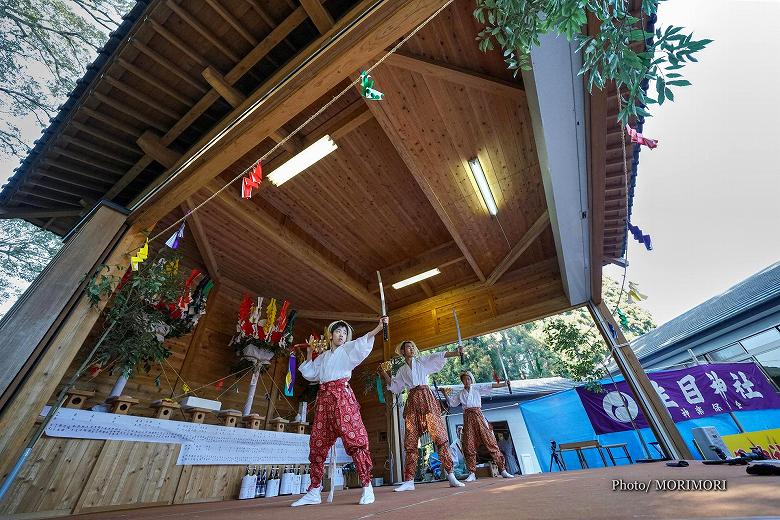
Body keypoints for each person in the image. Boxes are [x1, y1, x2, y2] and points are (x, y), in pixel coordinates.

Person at [291, 317, 388, 507]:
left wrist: (379, 327)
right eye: (338, 331)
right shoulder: (325, 356)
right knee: (317, 442)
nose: (341, 334)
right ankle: (314, 490)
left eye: (344, 332)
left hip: (342, 397)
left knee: (355, 439)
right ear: (330, 335)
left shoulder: (348, 349)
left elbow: (364, 341)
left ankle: (367, 486)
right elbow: (311, 374)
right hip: (324, 399)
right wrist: (310, 352)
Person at [379, 340, 465, 491]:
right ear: (403, 351)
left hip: (426, 397)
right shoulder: (402, 370)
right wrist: (382, 372)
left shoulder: (422, 361)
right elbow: (394, 386)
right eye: (407, 347)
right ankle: (409, 480)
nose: (411, 348)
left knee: (439, 436)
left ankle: (451, 475)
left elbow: (438, 356)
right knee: (410, 440)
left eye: (412, 346)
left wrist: (455, 353)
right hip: (412, 399)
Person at [444, 371, 516, 481]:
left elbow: (491, 385)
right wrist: (444, 393)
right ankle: (472, 472)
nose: (466, 381)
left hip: (478, 415)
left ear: (471, 380)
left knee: (490, 441)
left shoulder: (477, 388)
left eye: (468, 379)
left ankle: (503, 470)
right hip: (467, 418)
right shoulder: (461, 393)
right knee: (469, 444)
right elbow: (452, 403)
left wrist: (504, 384)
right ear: (462, 381)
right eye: (464, 379)